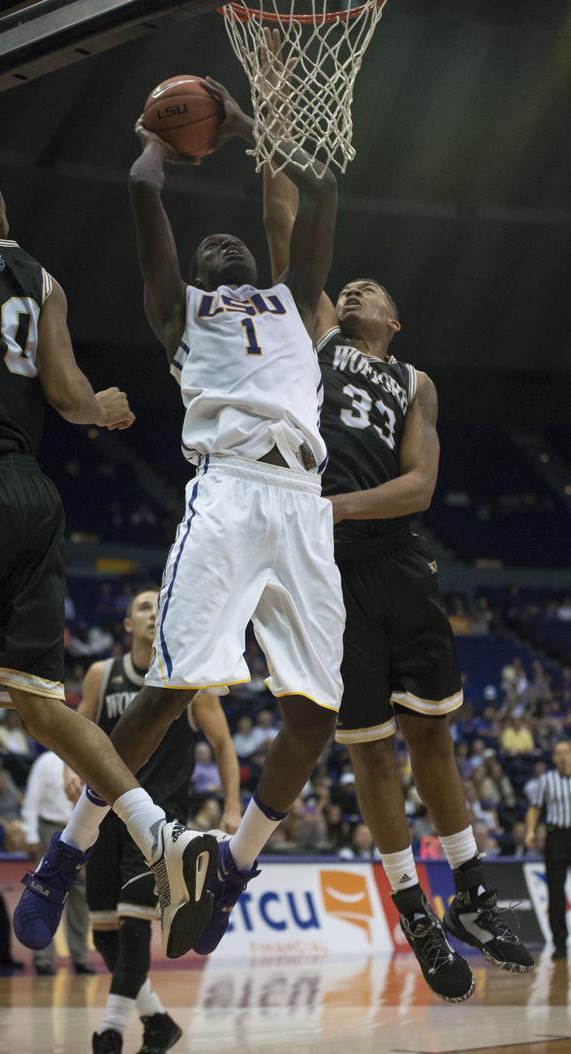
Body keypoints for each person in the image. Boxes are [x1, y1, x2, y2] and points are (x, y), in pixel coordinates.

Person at [24, 79, 345, 960]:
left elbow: (320, 196)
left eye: (233, 239)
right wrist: (159, 142)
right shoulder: (179, 313)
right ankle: (69, 851)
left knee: (318, 713)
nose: (223, 240)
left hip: (304, 504)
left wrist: (253, 135)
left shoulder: (294, 300)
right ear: (195, 278)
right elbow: (141, 192)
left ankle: (234, 871)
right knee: (167, 691)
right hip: (231, 491)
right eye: (209, 245)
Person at [260, 49, 533, 997]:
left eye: (378, 290)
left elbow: (419, 488)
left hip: (391, 555)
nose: (361, 290)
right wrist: (278, 139)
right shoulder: (322, 339)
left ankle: (469, 889)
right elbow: (291, 250)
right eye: (353, 287)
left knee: (433, 740)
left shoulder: (417, 381)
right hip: (327, 574)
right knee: (368, 751)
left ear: (399, 320)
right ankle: (411, 909)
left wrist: (332, 503)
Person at [0, 166, 215, 988]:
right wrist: (103, 407)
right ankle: (163, 838)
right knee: (41, 702)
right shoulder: (44, 281)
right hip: (39, 499)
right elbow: (69, 394)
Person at [76, 586, 241, 1054]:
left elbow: (225, 745)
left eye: (158, 606)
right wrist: (73, 774)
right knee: (106, 935)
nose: (152, 613)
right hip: (105, 817)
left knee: (133, 931)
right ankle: (159, 1024)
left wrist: (231, 806)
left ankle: (110, 1031)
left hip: (159, 825)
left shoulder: (190, 682)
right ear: (127, 624)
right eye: (143, 607)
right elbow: (81, 732)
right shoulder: (100, 674)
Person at [21, 748, 93, 977]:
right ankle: (42, 957)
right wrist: (31, 835)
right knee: (44, 892)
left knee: (80, 896)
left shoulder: (86, 759)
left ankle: (80, 955)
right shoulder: (45, 761)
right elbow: (32, 800)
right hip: (50, 828)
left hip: (81, 829)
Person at [525, 740, 571, 960]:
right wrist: (530, 832)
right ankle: (559, 943)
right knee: (555, 891)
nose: (562, 757)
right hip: (556, 837)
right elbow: (534, 809)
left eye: (566, 753)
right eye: (558, 753)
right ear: (553, 758)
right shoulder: (546, 780)